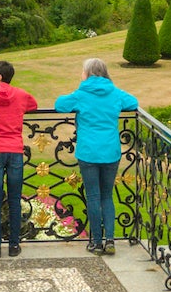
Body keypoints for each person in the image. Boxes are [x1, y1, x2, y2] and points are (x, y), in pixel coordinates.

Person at [54, 57, 137, 256]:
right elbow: (133, 102)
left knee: (93, 196)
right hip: (110, 150)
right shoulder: (114, 92)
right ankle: (110, 239)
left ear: (88, 73)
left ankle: (96, 242)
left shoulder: (82, 93)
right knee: (106, 196)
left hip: (89, 151)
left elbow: (59, 105)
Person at [0, 60, 37, 259]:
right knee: (14, 198)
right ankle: (14, 244)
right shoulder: (20, 94)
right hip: (14, 150)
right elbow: (33, 105)